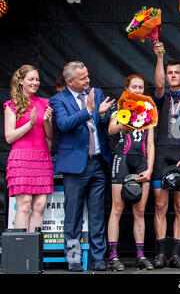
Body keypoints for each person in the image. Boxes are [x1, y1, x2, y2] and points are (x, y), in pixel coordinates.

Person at [50, 61, 115, 272]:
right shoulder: (58, 99)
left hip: (97, 161)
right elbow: (64, 125)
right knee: (74, 215)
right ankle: (74, 258)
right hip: (74, 165)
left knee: (97, 213)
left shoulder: (95, 93)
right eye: (82, 78)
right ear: (70, 81)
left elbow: (103, 125)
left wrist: (103, 114)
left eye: (87, 76)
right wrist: (88, 110)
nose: (88, 80)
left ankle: (98, 257)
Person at [150, 42, 180, 269]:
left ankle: (176, 254)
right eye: (170, 73)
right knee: (160, 206)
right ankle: (160, 254)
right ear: (166, 76)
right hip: (162, 155)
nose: (174, 75)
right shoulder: (161, 96)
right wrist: (160, 57)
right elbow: (157, 84)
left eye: (177, 72)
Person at [106, 74, 155, 271]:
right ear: (127, 88)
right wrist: (122, 125)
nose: (137, 90)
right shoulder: (119, 108)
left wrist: (150, 168)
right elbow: (110, 130)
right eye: (134, 87)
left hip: (141, 160)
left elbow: (150, 143)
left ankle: (141, 256)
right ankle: (113, 256)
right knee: (117, 209)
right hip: (122, 158)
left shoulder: (150, 110)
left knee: (140, 210)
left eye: (141, 87)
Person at [4, 65, 54, 232]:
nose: (35, 83)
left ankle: (34, 253)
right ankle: (21, 251)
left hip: (41, 157)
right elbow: (9, 137)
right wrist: (30, 124)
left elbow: (50, 136)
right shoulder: (11, 105)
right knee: (24, 205)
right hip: (21, 159)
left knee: (39, 206)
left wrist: (47, 121)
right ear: (21, 81)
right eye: (31, 79)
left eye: (37, 79)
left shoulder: (43, 102)